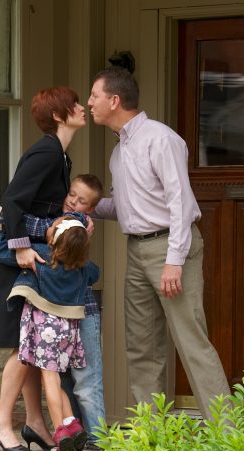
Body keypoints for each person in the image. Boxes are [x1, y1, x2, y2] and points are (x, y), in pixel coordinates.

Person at [87, 67, 230, 421]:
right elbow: (127, 207)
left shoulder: (160, 139)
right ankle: (153, 434)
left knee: (191, 341)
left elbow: (179, 202)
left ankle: (228, 434)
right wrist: (83, 208)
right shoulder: (119, 152)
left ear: (114, 100)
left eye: (94, 96)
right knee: (142, 346)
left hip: (170, 247)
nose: (89, 103)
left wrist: (174, 260)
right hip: (136, 251)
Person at [0, 86, 86, 451]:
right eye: (74, 104)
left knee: (27, 347)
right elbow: (12, 200)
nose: (82, 107)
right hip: (17, 261)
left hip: (29, 257)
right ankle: (1, 424)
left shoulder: (60, 154)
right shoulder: (47, 151)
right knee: (24, 349)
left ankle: (35, 423)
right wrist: (21, 247)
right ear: (59, 115)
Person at [0, 174, 106, 451]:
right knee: (66, 382)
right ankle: (76, 430)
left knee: (58, 380)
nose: (74, 202)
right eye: (73, 194)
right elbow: (94, 273)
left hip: (46, 329)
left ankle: (67, 432)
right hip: (70, 327)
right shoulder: (81, 262)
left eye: (83, 202)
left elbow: (4, 252)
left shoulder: (44, 255)